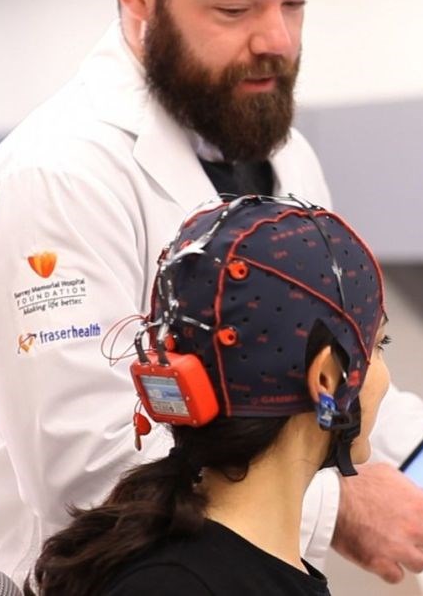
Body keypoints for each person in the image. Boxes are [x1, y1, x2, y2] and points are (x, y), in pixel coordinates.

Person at [0, 0, 423, 586]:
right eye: (234, 9)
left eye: (295, 3)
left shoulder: (282, 153)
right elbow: (83, 465)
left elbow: (327, 377)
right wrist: (338, 508)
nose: (277, 39)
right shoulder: (53, 179)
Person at [26, 194, 391, 595]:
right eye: (379, 346)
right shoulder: (176, 585)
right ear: (326, 378)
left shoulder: (184, 563)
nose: (386, 376)